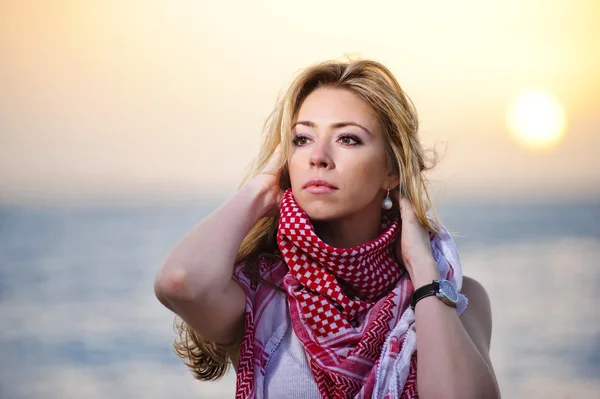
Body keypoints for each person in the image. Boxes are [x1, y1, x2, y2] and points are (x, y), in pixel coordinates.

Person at [154, 58, 500, 399]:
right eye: (302, 139)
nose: (318, 156)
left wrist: (424, 268)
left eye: (347, 139)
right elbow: (180, 281)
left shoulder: (452, 294)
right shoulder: (262, 292)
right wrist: (261, 189)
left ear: (391, 172)